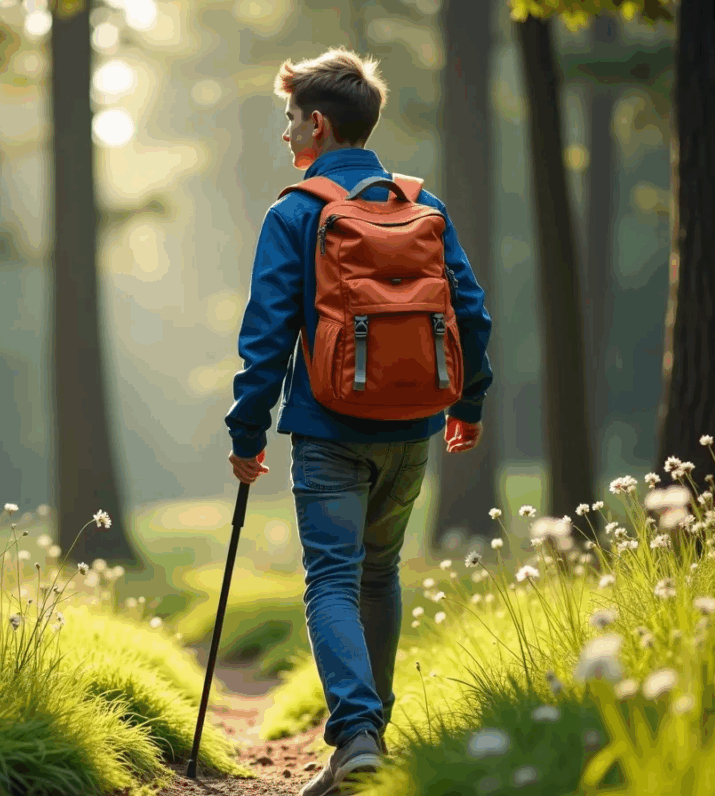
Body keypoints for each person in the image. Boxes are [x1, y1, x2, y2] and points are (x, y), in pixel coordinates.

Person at [224, 47, 493, 796]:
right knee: (379, 574)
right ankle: (366, 747)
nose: (284, 134)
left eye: (288, 120)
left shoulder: (295, 212)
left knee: (332, 582)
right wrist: (465, 405)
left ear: (317, 124)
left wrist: (247, 434)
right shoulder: (422, 205)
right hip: (411, 429)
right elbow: (471, 312)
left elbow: (267, 337)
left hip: (329, 431)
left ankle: (358, 737)